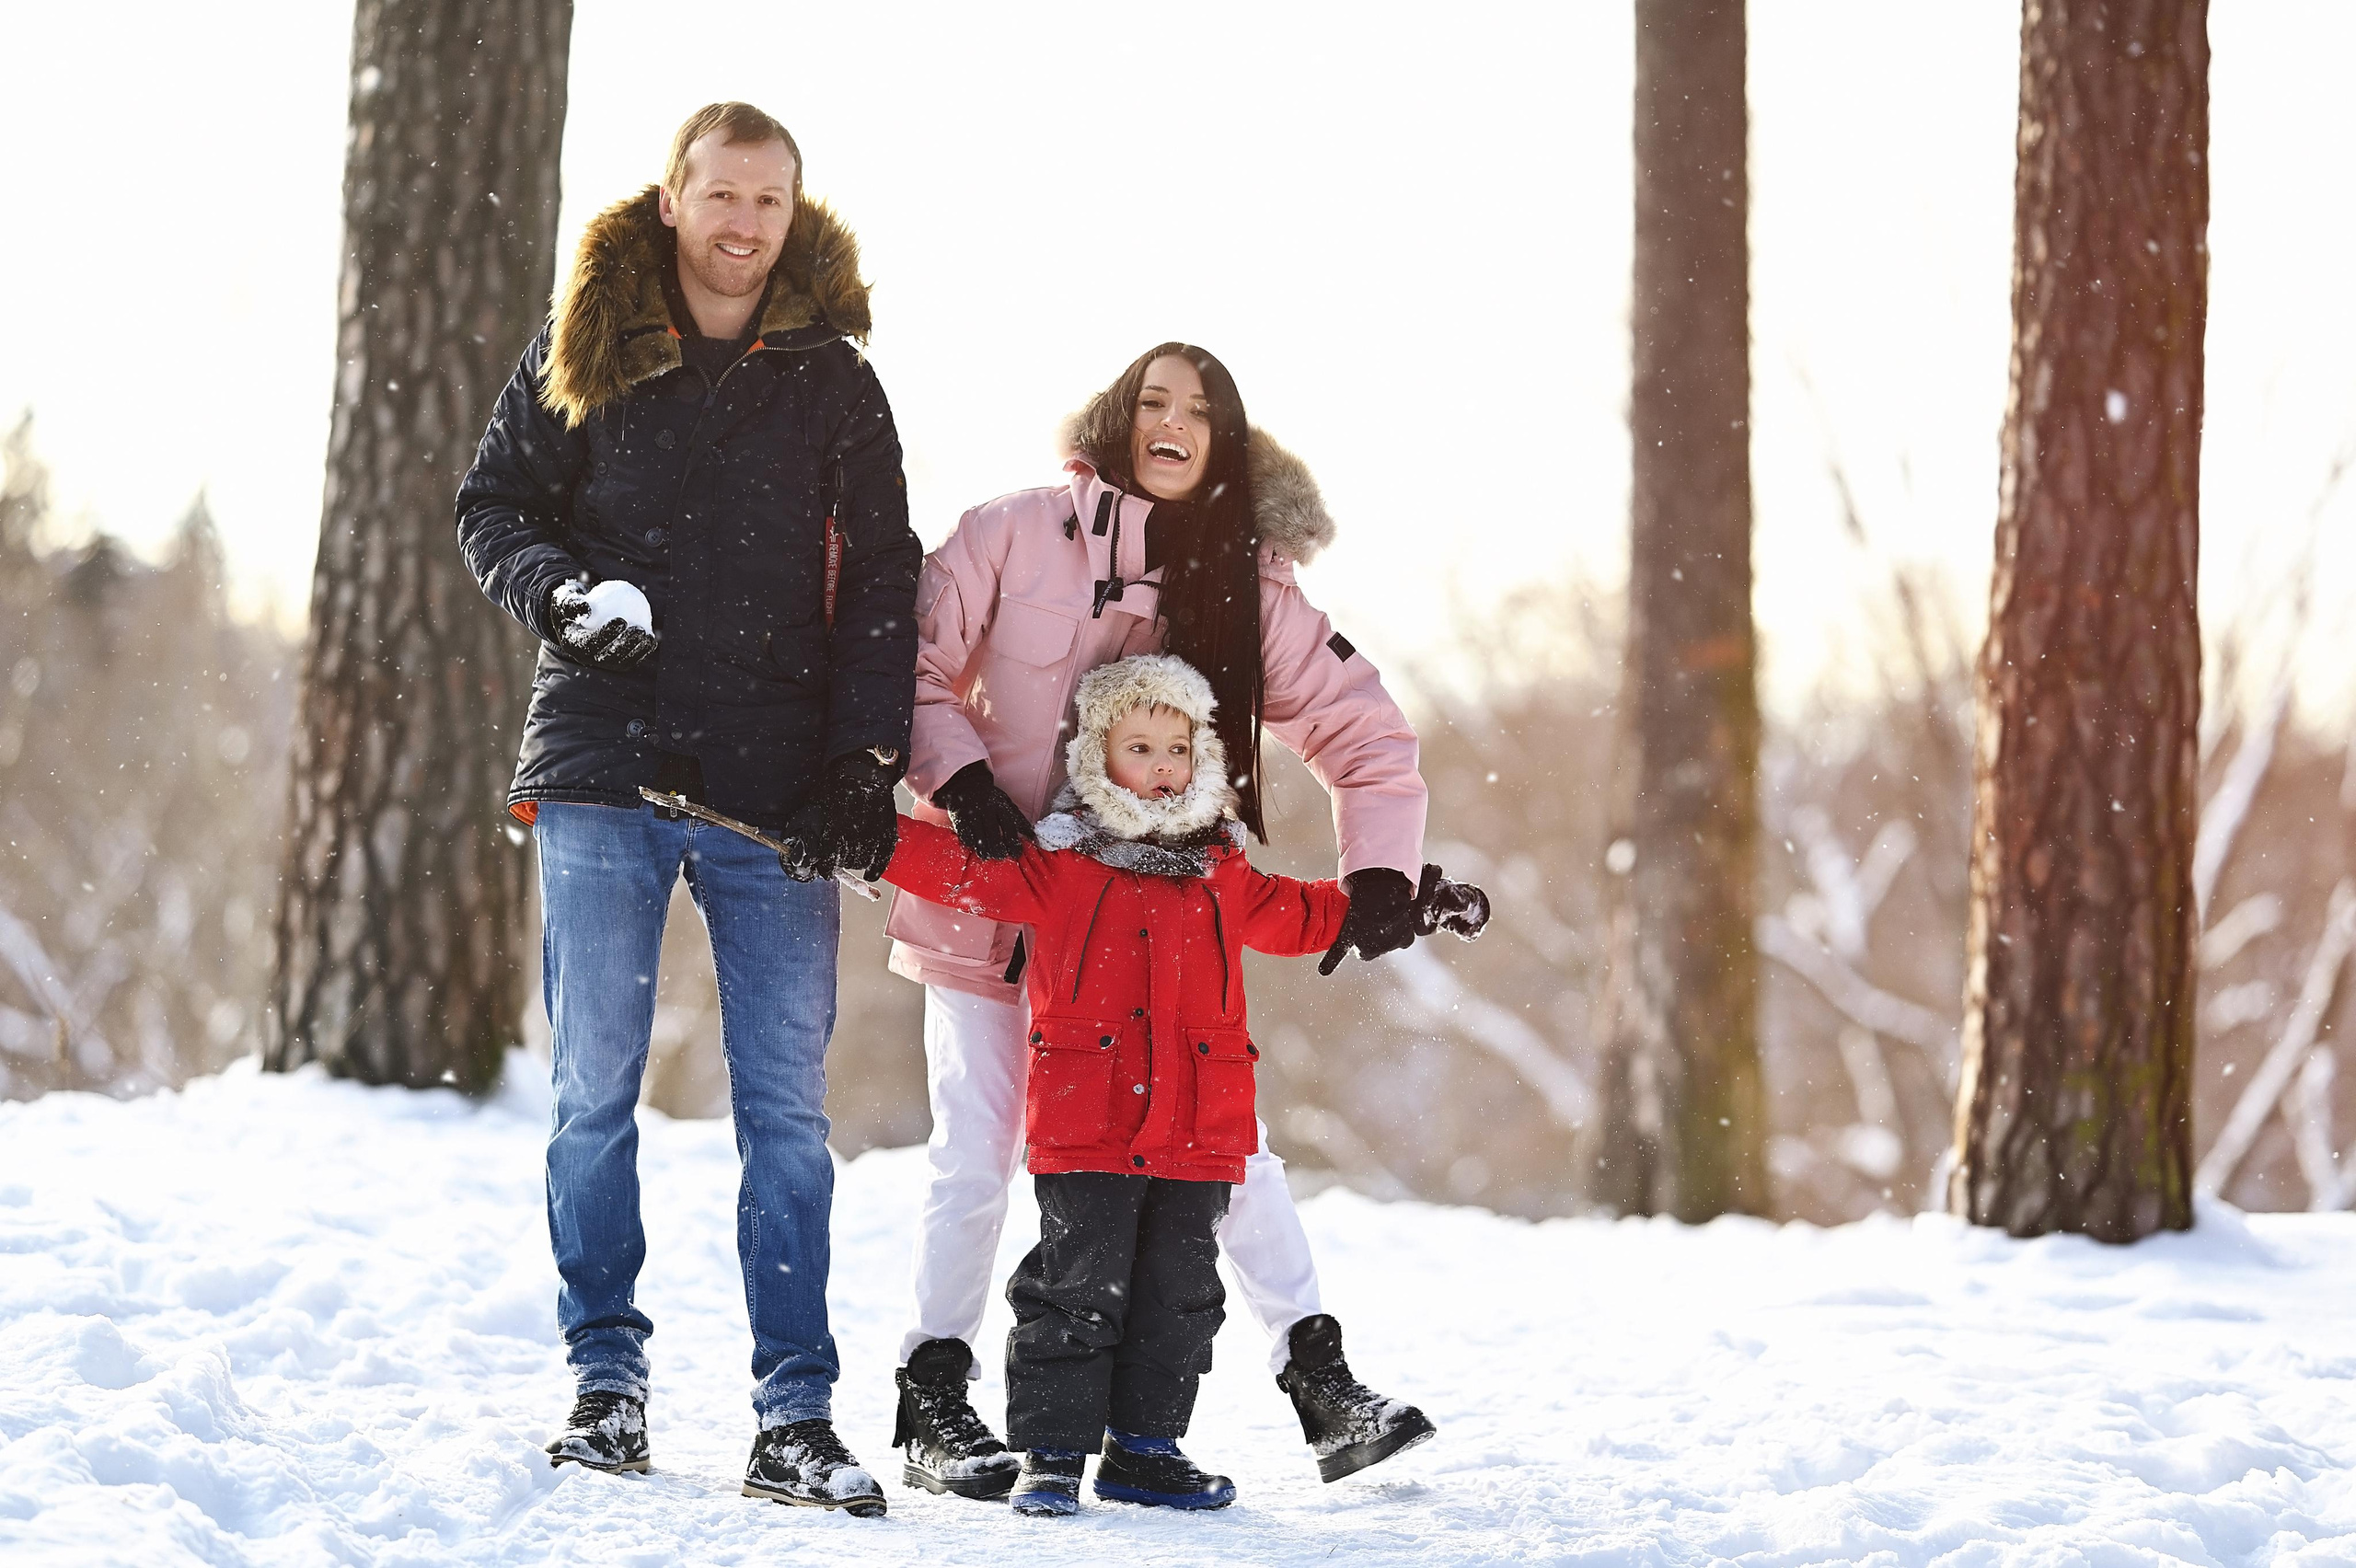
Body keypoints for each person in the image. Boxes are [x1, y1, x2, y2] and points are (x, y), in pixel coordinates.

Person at [884, 342, 1486, 1496]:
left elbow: (1366, 733)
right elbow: (908, 663)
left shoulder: (1245, 584)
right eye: (1153, 401)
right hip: (994, 901)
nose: (1172, 423)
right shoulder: (1010, 533)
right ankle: (934, 1401)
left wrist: (1378, 877)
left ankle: (1321, 1381)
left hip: (1148, 937)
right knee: (974, 1153)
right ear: (1116, 416)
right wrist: (957, 780)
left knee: (1229, 1153)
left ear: (1226, 441)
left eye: (1199, 411)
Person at [455, 102, 916, 1516]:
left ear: (794, 212)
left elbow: (888, 580)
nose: (743, 225)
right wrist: (563, 601)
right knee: (594, 1092)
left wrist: (862, 769)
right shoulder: (585, 345)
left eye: (768, 202)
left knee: (786, 1111)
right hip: (600, 763)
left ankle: (796, 1414)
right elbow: (491, 507)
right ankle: (607, 1381)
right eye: (720, 196)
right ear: (672, 200)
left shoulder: (834, 381)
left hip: (775, 792)